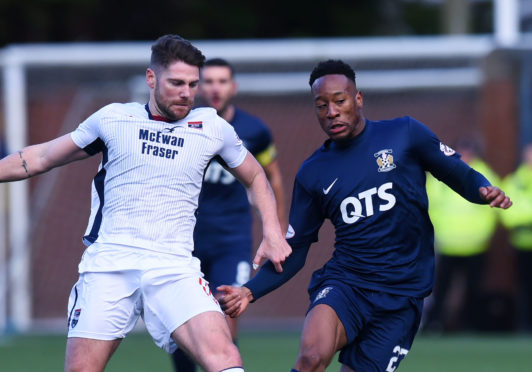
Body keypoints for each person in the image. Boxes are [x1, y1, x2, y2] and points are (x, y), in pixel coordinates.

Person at [0, 34, 291, 372]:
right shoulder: (114, 118)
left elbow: (257, 175)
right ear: (151, 78)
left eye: (192, 85)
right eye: (176, 84)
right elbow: (41, 157)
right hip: (110, 264)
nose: (187, 93)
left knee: (225, 356)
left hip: (174, 265)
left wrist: (273, 232)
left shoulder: (211, 126)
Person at [218, 59, 512, 372]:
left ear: (358, 99)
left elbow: (456, 172)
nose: (331, 112)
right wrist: (251, 289)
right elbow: (296, 249)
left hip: (402, 297)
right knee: (310, 358)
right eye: (321, 105)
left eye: (339, 101)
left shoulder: (405, 134)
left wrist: (482, 190)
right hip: (346, 283)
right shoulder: (313, 173)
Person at [171, 58, 286, 372]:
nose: (215, 88)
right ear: (197, 87)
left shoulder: (254, 131)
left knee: (226, 315)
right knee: (182, 327)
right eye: (207, 81)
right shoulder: (180, 125)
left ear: (233, 87)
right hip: (185, 243)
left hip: (231, 240)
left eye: (222, 81)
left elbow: (271, 176)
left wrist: (275, 227)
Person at [423, 138, 500, 332]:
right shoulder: (441, 175)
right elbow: (430, 205)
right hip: (448, 243)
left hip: (475, 244)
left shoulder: (486, 175)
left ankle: (471, 324)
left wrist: (483, 234)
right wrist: (438, 232)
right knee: (441, 288)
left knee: (474, 288)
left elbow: (493, 209)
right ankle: (436, 324)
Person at [500, 143, 532, 332]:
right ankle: (524, 325)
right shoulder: (514, 182)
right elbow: (507, 213)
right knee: (524, 288)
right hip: (522, 245)